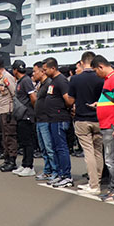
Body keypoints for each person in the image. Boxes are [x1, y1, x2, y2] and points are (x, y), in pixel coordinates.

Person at [66, 52, 105, 194]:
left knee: (88, 152)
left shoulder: (76, 79)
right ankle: (97, 180)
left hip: (82, 118)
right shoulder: (101, 77)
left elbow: (70, 100)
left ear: (82, 62)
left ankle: (94, 184)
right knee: (98, 151)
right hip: (99, 118)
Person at [90, 55, 114, 200]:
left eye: (95, 71)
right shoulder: (109, 80)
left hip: (112, 125)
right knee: (110, 159)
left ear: (100, 66)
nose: (96, 74)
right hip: (108, 124)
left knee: (112, 160)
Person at [42, 58, 74, 188]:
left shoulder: (61, 81)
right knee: (55, 147)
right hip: (53, 118)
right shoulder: (53, 81)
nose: (44, 72)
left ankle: (66, 176)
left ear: (53, 68)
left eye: (45, 69)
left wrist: (62, 108)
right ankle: (60, 174)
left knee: (61, 148)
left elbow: (69, 100)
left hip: (60, 118)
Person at [0, 59, 18, 172]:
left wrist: (11, 111)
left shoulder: (7, 77)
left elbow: (14, 94)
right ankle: (7, 159)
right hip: (2, 110)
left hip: (8, 111)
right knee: (4, 136)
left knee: (10, 136)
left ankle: (12, 161)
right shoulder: (1, 78)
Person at [33, 61, 58, 182]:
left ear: (42, 71)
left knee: (49, 147)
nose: (33, 74)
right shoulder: (41, 84)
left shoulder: (48, 83)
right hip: (39, 119)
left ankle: (55, 171)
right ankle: (47, 170)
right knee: (43, 147)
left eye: (35, 71)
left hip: (46, 119)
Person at [12, 60, 37, 177]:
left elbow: (33, 97)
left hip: (27, 115)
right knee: (23, 141)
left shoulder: (26, 81)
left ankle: (29, 166)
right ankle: (24, 163)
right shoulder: (21, 81)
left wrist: (32, 111)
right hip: (21, 115)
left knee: (28, 142)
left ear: (15, 70)